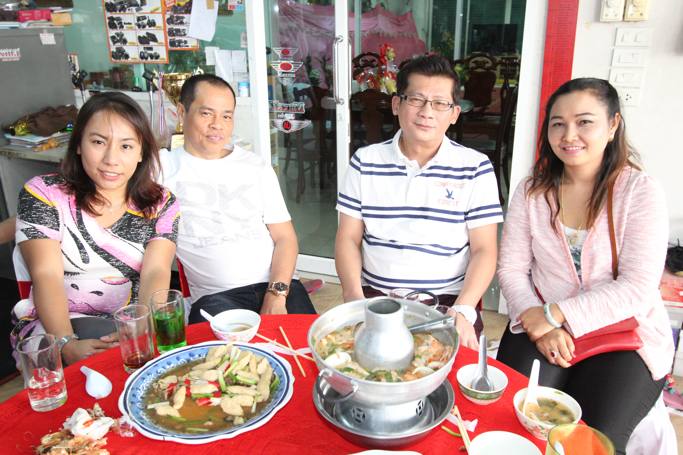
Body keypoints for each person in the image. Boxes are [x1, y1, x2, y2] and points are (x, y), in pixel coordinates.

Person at [496, 78, 673, 453]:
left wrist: (555, 314)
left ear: (613, 125)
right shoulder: (532, 191)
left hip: (624, 335)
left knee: (593, 441)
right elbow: (511, 269)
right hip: (542, 324)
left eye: (584, 122)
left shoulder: (640, 192)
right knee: (512, 419)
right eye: (558, 123)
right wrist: (538, 321)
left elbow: (637, 288)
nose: (569, 135)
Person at [335, 55, 502, 349]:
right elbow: (348, 237)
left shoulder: (475, 167)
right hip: (377, 297)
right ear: (396, 104)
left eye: (440, 103)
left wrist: (464, 308)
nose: (427, 112)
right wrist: (354, 297)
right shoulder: (365, 161)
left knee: (454, 372)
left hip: (449, 300)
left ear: (454, 113)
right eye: (416, 99)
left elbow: (484, 249)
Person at [11, 92, 180, 365]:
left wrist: (140, 330)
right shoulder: (43, 194)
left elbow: (156, 271)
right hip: (57, 325)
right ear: (79, 144)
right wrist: (66, 343)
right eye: (98, 142)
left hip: (130, 321)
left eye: (126, 146)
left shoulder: (161, 203)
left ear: (141, 152)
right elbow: (46, 274)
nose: (111, 159)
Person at [159, 74, 316, 321]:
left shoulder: (255, 166)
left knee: (307, 343)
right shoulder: (162, 168)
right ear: (181, 112)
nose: (217, 125)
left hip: (276, 286)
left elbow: (285, 238)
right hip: (215, 297)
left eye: (227, 116)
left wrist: (276, 294)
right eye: (206, 113)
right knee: (224, 348)